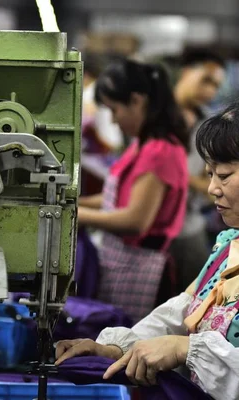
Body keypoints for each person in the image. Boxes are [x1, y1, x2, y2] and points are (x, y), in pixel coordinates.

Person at [57, 99, 239, 400]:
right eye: (210, 174)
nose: (212, 189)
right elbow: (183, 312)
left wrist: (187, 349)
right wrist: (117, 348)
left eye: (224, 175)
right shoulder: (232, 245)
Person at [78, 59, 189, 323]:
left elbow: (135, 220)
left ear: (137, 101)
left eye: (114, 110)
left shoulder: (160, 151)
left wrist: (76, 215)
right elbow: (112, 200)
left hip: (140, 269)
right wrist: (74, 202)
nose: (114, 121)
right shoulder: (142, 143)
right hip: (122, 264)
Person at [170, 50, 226, 293]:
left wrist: (180, 175)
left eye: (216, 86)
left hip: (186, 227)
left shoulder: (209, 128)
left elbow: (213, 188)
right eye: (206, 80)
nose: (210, 91)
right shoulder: (151, 115)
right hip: (144, 232)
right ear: (186, 72)